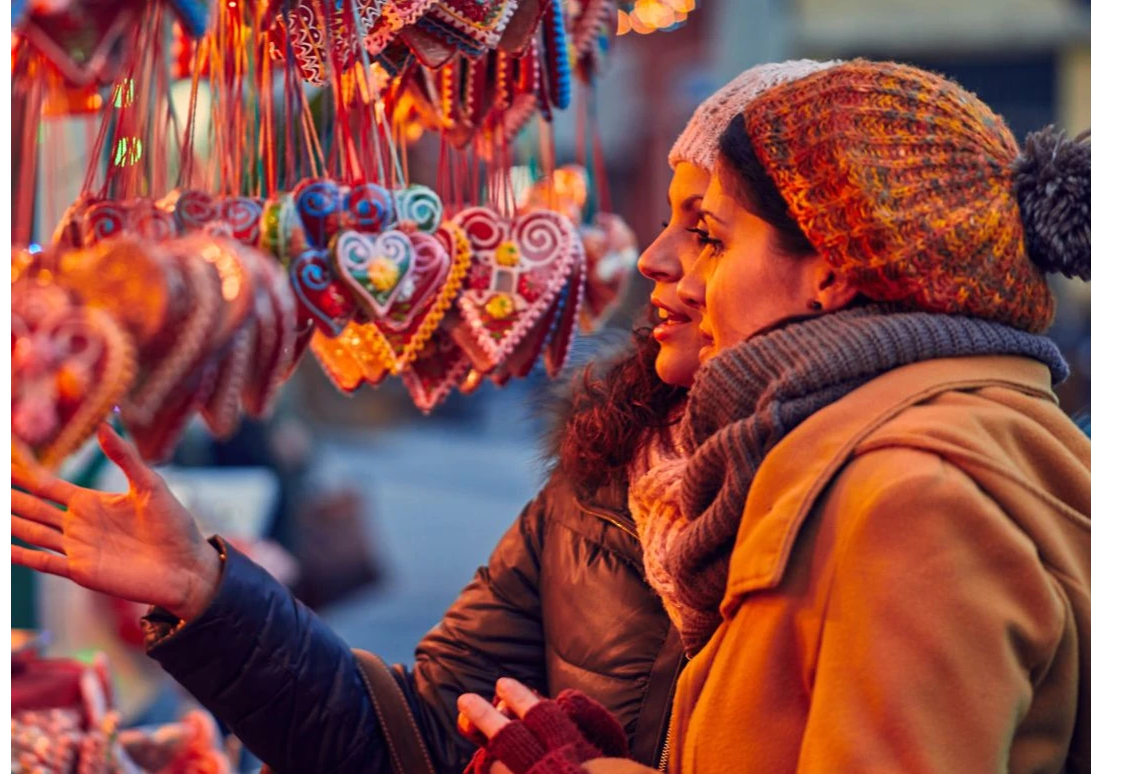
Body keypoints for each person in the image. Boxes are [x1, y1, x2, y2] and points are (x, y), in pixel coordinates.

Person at [10, 59, 840, 774]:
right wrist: (205, 590)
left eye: (707, 234)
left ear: (833, 271)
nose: (657, 261)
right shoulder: (606, 481)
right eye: (666, 221)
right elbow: (410, 740)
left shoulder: (891, 493)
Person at [457, 58, 1091, 773]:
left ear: (830, 271)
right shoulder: (870, 456)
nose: (684, 271)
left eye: (715, 240)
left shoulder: (912, 500)